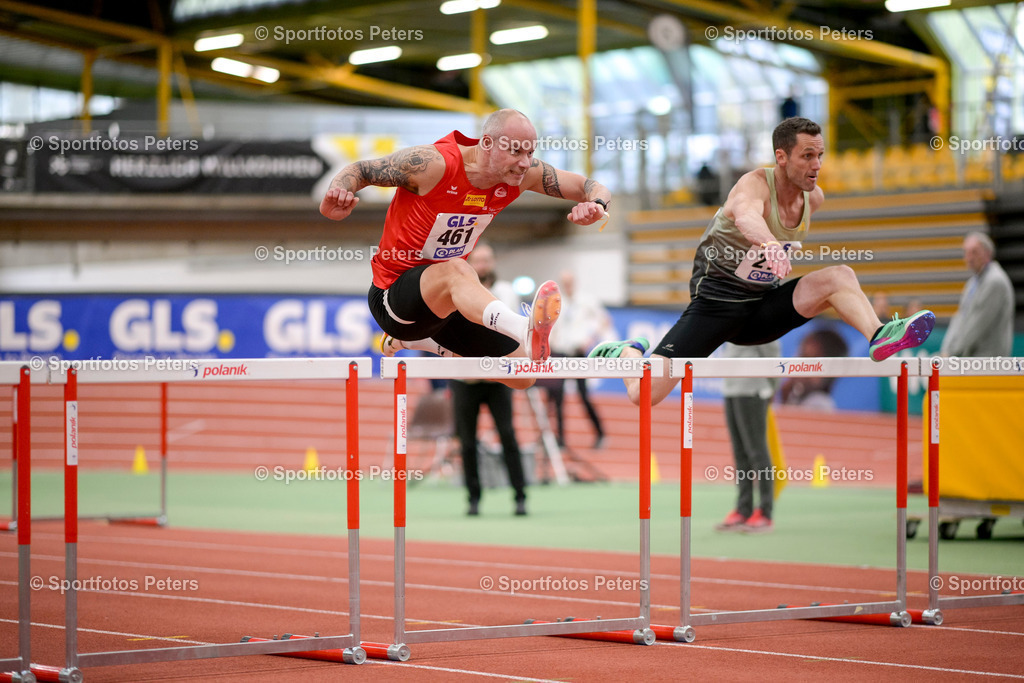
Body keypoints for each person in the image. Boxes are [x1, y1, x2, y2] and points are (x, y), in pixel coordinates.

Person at [590, 117, 936, 405]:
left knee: (840, 275)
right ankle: (626, 352)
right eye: (807, 156)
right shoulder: (754, 184)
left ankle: (879, 335)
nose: (817, 165)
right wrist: (770, 243)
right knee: (643, 395)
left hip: (763, 308)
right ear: (781, 157)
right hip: (717, 304)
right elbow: (745, 216)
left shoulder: (813, 199)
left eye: (821, 155)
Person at [320, 108, 610, 389]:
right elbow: (361, 169)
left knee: (523, 374)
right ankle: (524, 327)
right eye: (515, 152)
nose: (524, 163)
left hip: (442, 306)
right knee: (458, 268)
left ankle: (416, 341)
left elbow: (590, 185)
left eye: (530, 153)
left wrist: (596, 205)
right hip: (393, 297)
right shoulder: (433, 164)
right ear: (487, 143)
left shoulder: (523, 175)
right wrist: (339, 191)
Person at [448, 244, 528, 516]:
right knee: (467, 441)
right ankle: (473, 499)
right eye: (478, 260)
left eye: (487, 260)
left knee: (508, 434)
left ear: (493, 262)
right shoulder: (457, 290)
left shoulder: (506, 292)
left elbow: (513, 333)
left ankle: (520, 496)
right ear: (471, 263)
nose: (483, 265)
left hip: (498, 380)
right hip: (465, 379)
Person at [716, 340, 781, 533]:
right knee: (740, 453)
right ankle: (744, 509)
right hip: (731, 388)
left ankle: (765, 512)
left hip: (752, 389)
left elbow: (773, 356)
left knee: (757, 451)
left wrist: (772, 387)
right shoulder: (730, 314)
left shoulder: (763, 316)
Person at [547, 270, 612, 448]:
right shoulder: (557, 302)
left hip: (577, 353)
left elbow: (605, 320)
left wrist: (591, 340)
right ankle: (560, 440)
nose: (567, 285)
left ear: (574, 282)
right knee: (556, 397)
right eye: (564, 282)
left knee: (583, 396)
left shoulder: (586, 300)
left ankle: (600, 433)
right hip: (560, 353)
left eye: (569, 282)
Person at [940, 231, 1014, 357]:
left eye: (974, 252)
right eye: (966, 253)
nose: (969, 258)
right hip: (973, 359)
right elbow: (960, 317)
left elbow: (977, 325)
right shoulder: (972, 283)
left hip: (989, 361)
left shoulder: (994, 282)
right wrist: (946, 349)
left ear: (987, 254)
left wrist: (951, 352)